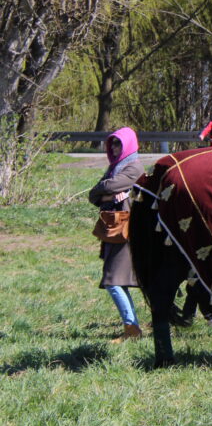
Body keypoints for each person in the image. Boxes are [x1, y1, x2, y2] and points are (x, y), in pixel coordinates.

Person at [88, 127, 145, 342]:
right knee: (117, 280)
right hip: (113, 230)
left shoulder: (133, 167)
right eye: (112, 144)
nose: (114, 147)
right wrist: (107, 194)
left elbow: (107, 186)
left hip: (125, 232)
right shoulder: (116, 167)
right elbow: (93, 196)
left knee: (113, 281)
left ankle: (132, 329)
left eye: (118, 144)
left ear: (128, 144)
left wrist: (105, 189)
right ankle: (132, 327)